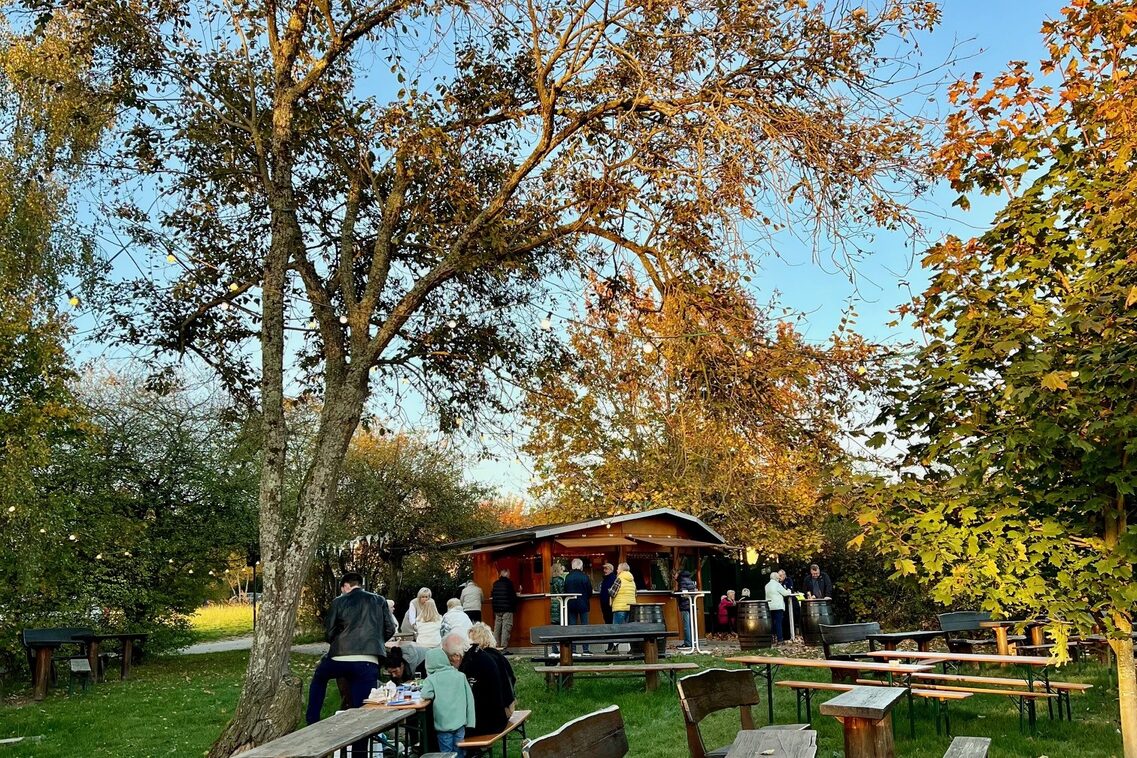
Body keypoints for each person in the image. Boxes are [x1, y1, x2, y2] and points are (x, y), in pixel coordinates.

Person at [306, 572, 395, 756]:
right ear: (359, 584)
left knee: (319, 678)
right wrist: (374, 642)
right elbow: (390, 629)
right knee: (361, 712)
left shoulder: (339, 601)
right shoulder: (379, 600)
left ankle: (312, 719)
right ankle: (359, 753)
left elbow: (328, 633)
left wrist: (340, 642)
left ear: (346, 586)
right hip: (368, 661)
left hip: (340, 657)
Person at [449, 632, 510, 737]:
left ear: (455, 656)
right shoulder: (480, 655)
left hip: (487, 724)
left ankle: (445, 751)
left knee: (443, 727)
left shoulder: (470, 664)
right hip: (497, 717)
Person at [421, 646, 476, 758]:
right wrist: (470, 720)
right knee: (460, 751)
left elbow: (426, 694)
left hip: (443, 724)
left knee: (446, 753)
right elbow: (469, 698)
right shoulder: (460, 676)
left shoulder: (431, 679)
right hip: (460, 721)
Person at [468, 622, 516, 713]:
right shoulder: (499, 656)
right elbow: (512, 678)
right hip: (508, 706)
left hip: (494, 711)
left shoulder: (480, 659)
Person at [563, 558, 593, 654]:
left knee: (572, 627)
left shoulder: (568, 577)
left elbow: (565, 590)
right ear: (581, 566)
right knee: (585, 627)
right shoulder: (585, 577)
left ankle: (573, 649)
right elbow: (589, 592)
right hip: (583, 604)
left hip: (571, 604)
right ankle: (585, 649)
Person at [491, 568, 517, 654]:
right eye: (509, 573)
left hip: (497, 610)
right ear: (506, 573)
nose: (509, 575)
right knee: (506, 628)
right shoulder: (509, 583)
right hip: (507, 609)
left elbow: (492, 596)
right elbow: (513, 597)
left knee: (497, 628)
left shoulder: (495, 584)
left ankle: (495, 647)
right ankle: (503, 648)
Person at [765, 571, 794, 644]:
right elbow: (785, 593)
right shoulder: (777, 585)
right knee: (778, 623)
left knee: (771, 623)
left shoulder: (767, 585)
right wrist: (789, 590)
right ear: (776, 578)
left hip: (770, 606)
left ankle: (772, 638)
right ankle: (780, 639)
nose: (779, 579)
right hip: (778, 606)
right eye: (778, 578)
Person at [675, 569, 697, 650]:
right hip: (691, 604)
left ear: (678, 573)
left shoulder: (682, 580)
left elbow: (683, 593)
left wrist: (675, 594)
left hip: (685, 605)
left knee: (686, 625)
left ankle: (688, 643)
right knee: (691, 624)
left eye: (675, 574)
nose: (674, 577)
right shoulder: (689, 579)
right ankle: (693, 642)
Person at [599, 562, 617, 651]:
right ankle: (611, 645)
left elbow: (612, 593)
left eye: (606, 569)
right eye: (604, 569)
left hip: (610, 605)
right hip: (605, 605)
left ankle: (612, 645)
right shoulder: (606, 579)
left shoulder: (613, 578)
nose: (604, 570)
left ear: (611, 569)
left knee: (610, 625)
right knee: (608, 624)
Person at [778, 569, 796, 642]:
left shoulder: (788, 580)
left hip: (790, 601)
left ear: (784, 575)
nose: (780, 577)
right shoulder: (777, 582)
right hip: (781, 602)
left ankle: (790, 635)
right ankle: (784, 636)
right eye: (779, 576)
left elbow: (789, 590)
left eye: (781, 576)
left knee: (790, 617)